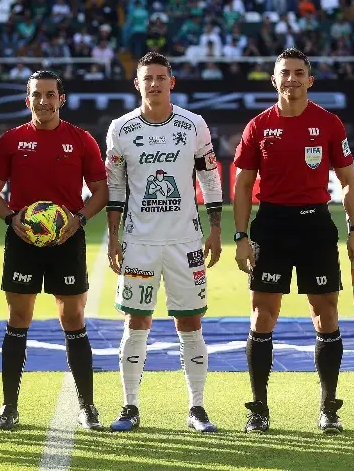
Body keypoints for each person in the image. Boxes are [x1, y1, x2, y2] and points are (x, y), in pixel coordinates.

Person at [234, 48, 354, 434]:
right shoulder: (258, 126)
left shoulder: (328, 124)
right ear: (274, 80)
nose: (290, 79)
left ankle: (329, 409)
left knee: (326, 313)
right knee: (263, 315)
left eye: (298, 73)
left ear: (310, 80)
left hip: (315, 226)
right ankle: (258, 408)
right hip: (271, 225)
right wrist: (241, 236)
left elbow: (347, 182)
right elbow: (242, 187)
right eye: (284, 73)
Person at [105, 52, 223, 433]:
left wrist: (216, 228)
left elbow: (209, 177)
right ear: (136, 84)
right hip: (139, 242)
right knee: (136, 321)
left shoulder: (194, 125)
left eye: (160, 77)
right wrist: (113, 237)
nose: (153, 84)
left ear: (171, 82)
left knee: (190, 323)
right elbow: (115, 187)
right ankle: (130, 406)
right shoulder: (120, 129)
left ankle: (198, 408)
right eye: (147, 78)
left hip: (185, 241)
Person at [0, 70, 109, 430]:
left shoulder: (82, 140)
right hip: (23, 241)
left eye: (50, 94)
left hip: (67, 240)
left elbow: (100, 192)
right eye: (36, 94)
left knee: (73, 319)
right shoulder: (11, 141)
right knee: (18, 320)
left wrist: (79, 219)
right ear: (28, 100)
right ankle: (9, 408)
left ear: (61, 99)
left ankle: (87, 407)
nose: (43, 100)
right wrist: (12, 220)